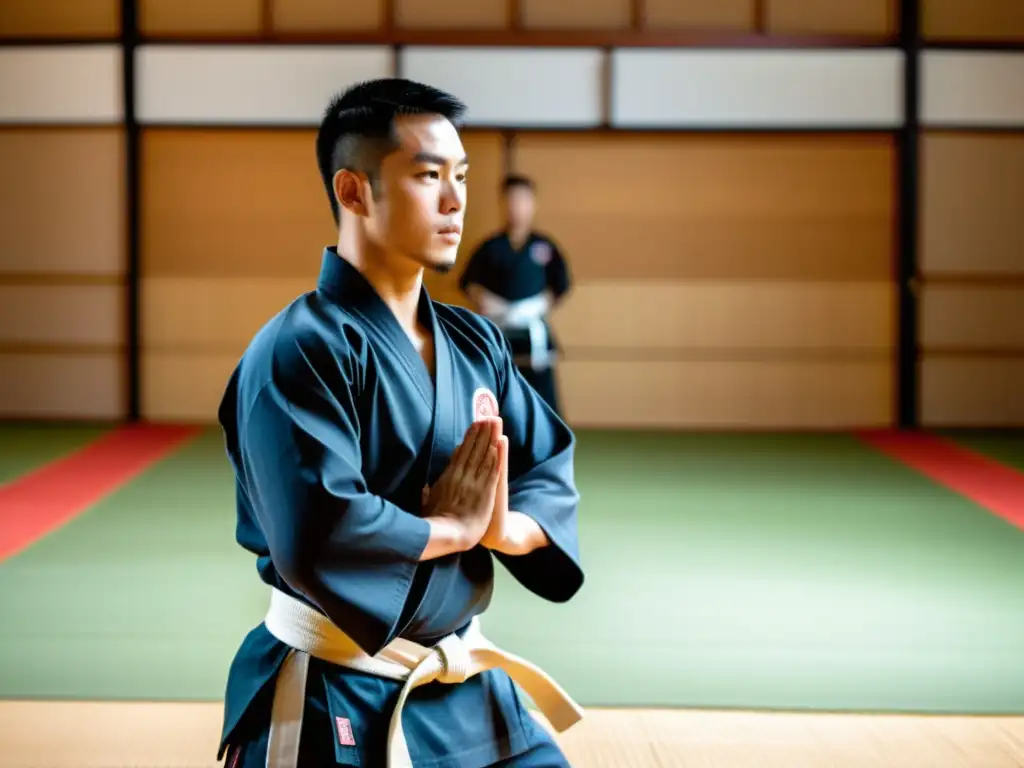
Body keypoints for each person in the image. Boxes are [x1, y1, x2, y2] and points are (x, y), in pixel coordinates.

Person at [215, 78, 585, 768]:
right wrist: (448, 532)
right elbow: (316, 529)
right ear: (353, 192)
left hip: (465, 684)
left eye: (462, 176)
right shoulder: (297, 350)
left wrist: (499, 528)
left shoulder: (477, 344)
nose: (456, 200)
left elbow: (546, 469)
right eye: (428, 176)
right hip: (336, 692)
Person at [458, 175, 571, 416]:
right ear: (503, 204)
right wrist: (487, 301)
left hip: (533, 331)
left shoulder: (545, 246)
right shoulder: (489, 247)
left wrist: (539, 304)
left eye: (522, 200)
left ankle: (550, 443)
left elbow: (561, 284)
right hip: (498, 328)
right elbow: (468, 283)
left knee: (543, 394)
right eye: (511, 200)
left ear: (533, 204)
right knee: (497, 389)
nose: (516, 206)